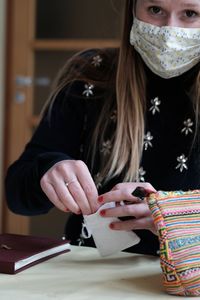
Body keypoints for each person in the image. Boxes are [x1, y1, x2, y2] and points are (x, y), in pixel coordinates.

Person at [5, 0, 200, 256]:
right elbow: (17, 195)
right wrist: (49, 169)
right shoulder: (92, 75)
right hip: (91, 272)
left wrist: (177, 217)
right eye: (154, 10)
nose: (169, 30)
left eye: (190, 13)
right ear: (132, 9)